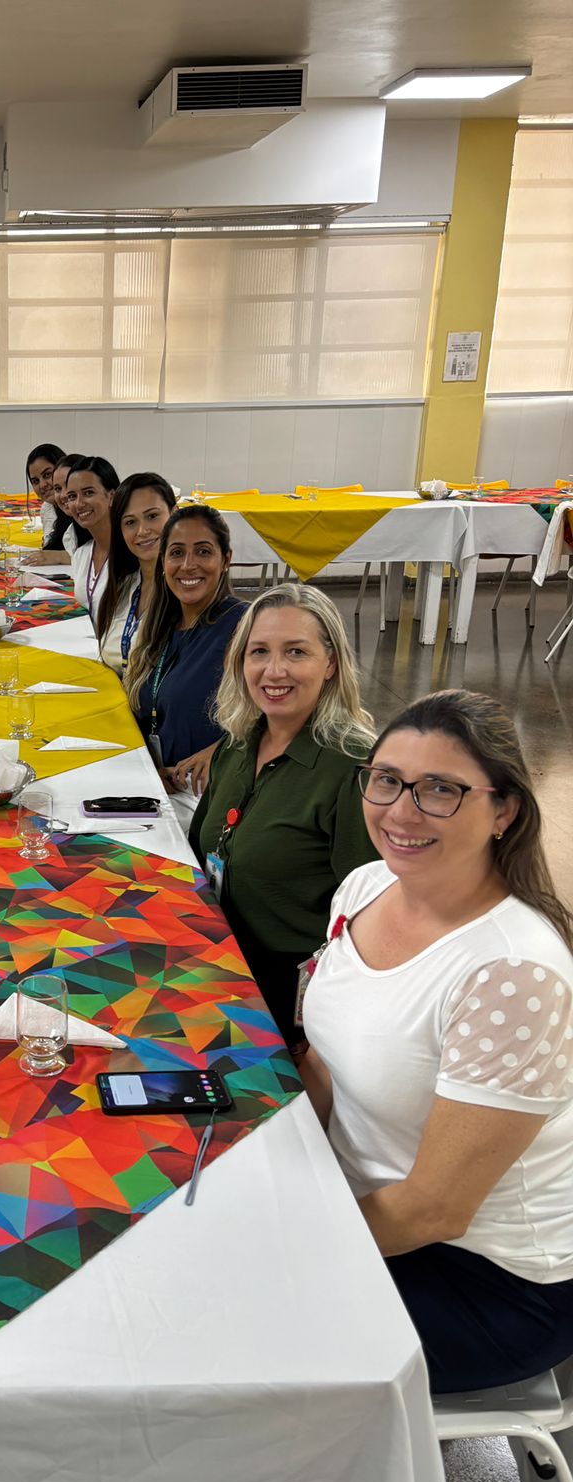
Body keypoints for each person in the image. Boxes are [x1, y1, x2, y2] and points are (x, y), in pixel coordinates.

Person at [299, 690, 573, 1394]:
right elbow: (324, 1060)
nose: (401, 811)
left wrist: (286, 1244)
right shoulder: (366, 887)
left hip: (483, 1279)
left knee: (217, 1322)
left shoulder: (511, 972)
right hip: (367, 1208)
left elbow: (436, 1208)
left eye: (440, 790)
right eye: (387, 780)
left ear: (505, 811)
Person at [188, 583, 378, 1042]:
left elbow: (372, 921)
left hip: (289, 997)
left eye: (296, 652)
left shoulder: (356, 768)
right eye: (259, 652)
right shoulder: (238, 742)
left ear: (330, 663)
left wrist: (317, 1044)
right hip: (216, 961)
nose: (274, 671)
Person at [124, 505, 247, 801]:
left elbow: (285, 719)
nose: (188, 565)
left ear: (225, 559)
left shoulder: (244, 626)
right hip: (161, 787)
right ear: (163, 562)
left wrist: (222, 750)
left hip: (211, 797)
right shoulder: (161, 626)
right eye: (177, 553)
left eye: (203, 552)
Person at [95, 473, 178, 677]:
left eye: (152, 516)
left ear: (174, 514)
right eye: (130, 522)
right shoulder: (124, 586)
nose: (142, 531)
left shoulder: (187, 592)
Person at [65, 456, 119, 619]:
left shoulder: (132, 554)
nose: (79, 504)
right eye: (72, 496)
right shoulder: (81, 555)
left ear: (111, 496)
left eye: (88, 493)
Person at [25, 442, 65, 546]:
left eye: (47, 475)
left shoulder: (79, 510)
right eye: (35, 481)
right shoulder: (47, 508)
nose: (42, 485)